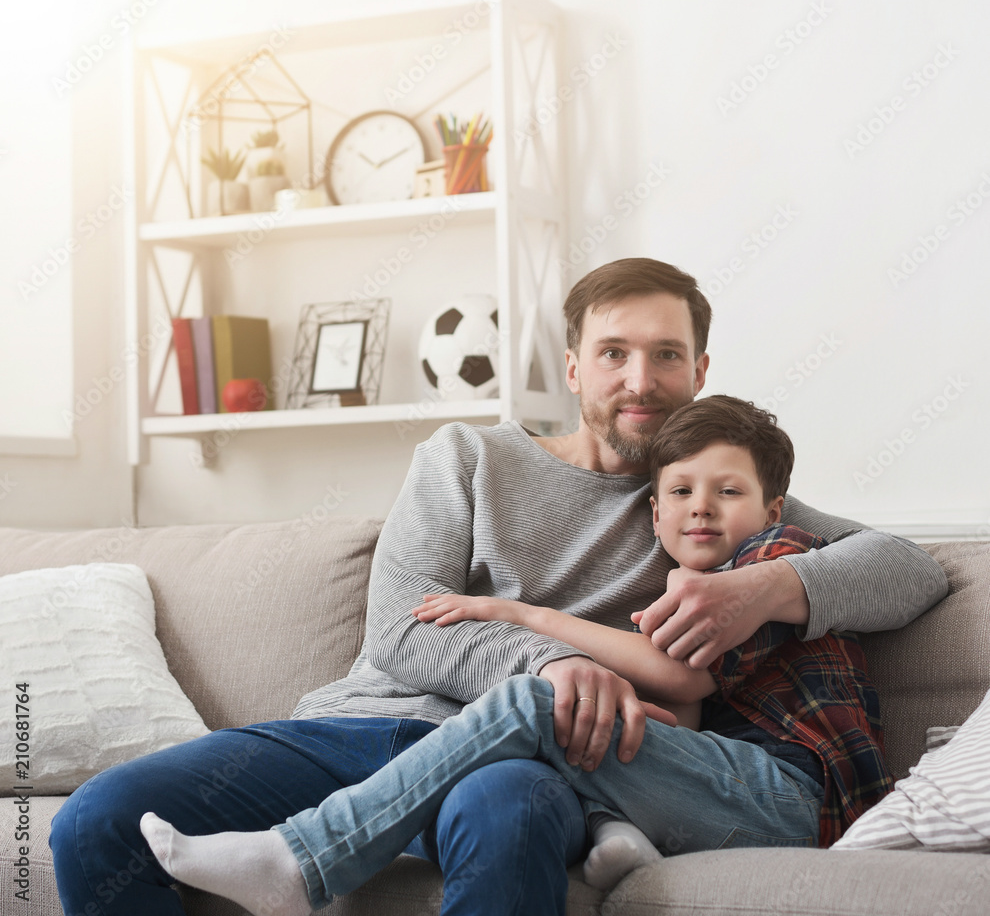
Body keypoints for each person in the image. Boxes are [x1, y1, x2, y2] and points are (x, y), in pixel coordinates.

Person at [50, 259, 946, 916]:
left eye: (667, 356)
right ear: (571, 366)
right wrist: (550, 664)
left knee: (510, 815)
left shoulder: (703, 494)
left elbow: (908, 568)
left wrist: (765, 589)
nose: (641, 381)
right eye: (614, 354)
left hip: (526, 763)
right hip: (360, 730)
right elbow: (404, 631)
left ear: (700, 372)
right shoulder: (468, 457)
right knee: (98, 821)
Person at [135, 394, 893, 916]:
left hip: (798, 795)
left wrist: (520, 614)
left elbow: (681, 672)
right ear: (653, 508)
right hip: (739, 783)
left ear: (770, 508)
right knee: (605, 722)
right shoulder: (679, 576)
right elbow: (687, 717)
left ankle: (307, 860)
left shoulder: (772, 560)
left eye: (726, 491)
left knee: (543, 701)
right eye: (683, 489)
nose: (702, 504)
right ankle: (617, 831)